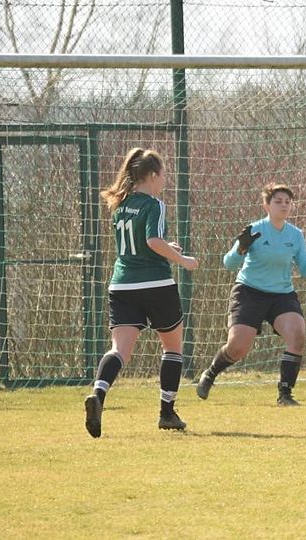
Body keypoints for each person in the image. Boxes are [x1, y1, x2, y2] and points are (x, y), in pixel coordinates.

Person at [84, 147, 200, 438]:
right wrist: (183, 260)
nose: (165, 181)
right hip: (156, 284)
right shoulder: (154, 204)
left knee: (119, 350)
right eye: (163, 175)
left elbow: (140, 244)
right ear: (151, 175)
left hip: (122, 285)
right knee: (172, 348)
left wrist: (166, 246)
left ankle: (98, 394)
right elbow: (151, 241)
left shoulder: (120, 205)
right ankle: (167, 413)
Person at [196, 183, 306, 406]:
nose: (284, 205)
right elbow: (228, 263)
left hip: (281, 295)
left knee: (297, 336)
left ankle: (285, 394)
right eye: (278, 201)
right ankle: (210, 374)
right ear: (266, 205)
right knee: (238, 347)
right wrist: (240, 249)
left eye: (288, 202)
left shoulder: (296, 235)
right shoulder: (254, 230)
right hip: (249, 292)